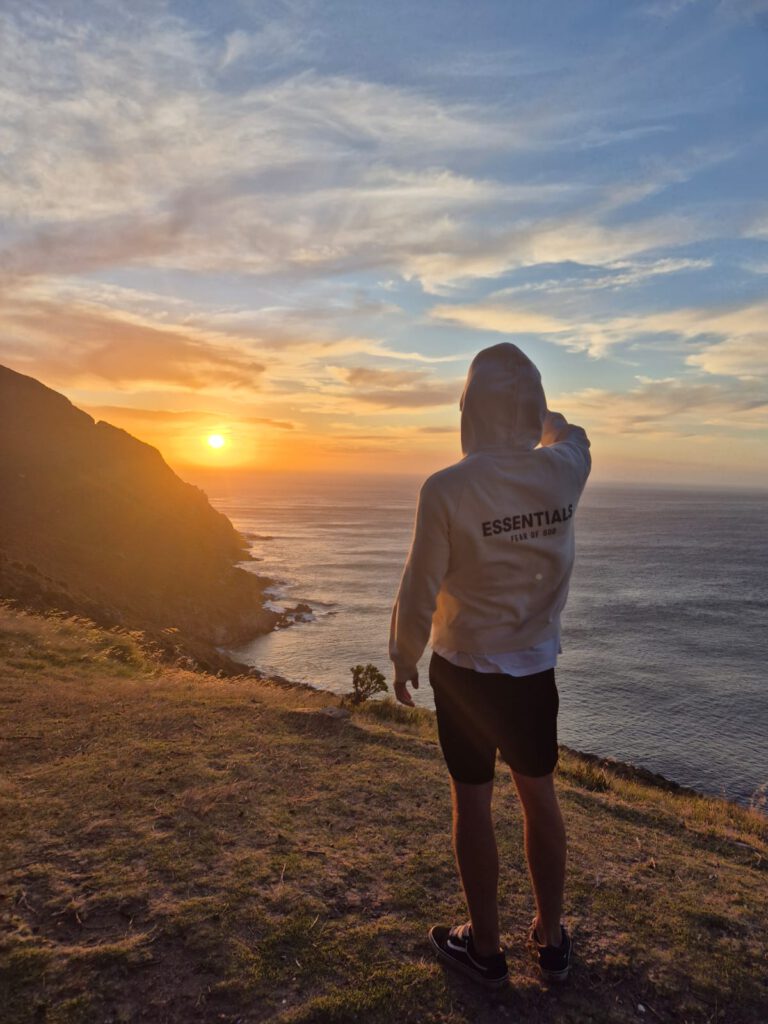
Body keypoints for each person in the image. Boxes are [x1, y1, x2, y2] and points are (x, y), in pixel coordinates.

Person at [388, 341, 591, 989]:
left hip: (464, 671)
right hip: (534, 670)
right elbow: (576, 434)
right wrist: (541, 421)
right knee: (539, 798)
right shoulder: (562, 469)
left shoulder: (447, 488)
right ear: (532, 410)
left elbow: (420, 585)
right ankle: (552, 941)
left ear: (467, 409)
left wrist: (402, 657)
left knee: (472, 804)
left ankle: (484, 945)